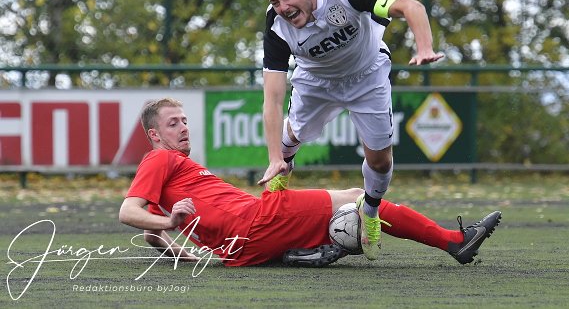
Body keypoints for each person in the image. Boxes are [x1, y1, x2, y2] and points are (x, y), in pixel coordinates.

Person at [119, 98, 502, 268]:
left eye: (185, 120)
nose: (183, 127)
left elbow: (150, 229)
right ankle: (454, 242)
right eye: (173, 123)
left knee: (285, 184)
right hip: (255, 224)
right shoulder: (160, 158)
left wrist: (178, 251)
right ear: (154, 135)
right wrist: (171, 224)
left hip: (241, 247)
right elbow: (129, 212)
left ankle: (304, 249)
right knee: (359, 197)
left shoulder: (175, 167)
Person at [255, 0, 445, 260]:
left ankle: (369, 211)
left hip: (367, 75)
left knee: (380, 162)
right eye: (275, 2)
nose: (283, 7)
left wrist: (424, 47)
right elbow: (273, 100)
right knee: (291, 135)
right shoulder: (277, 26)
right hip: (316, 81)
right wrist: (275, 158)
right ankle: (280, 177)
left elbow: (412, 7)